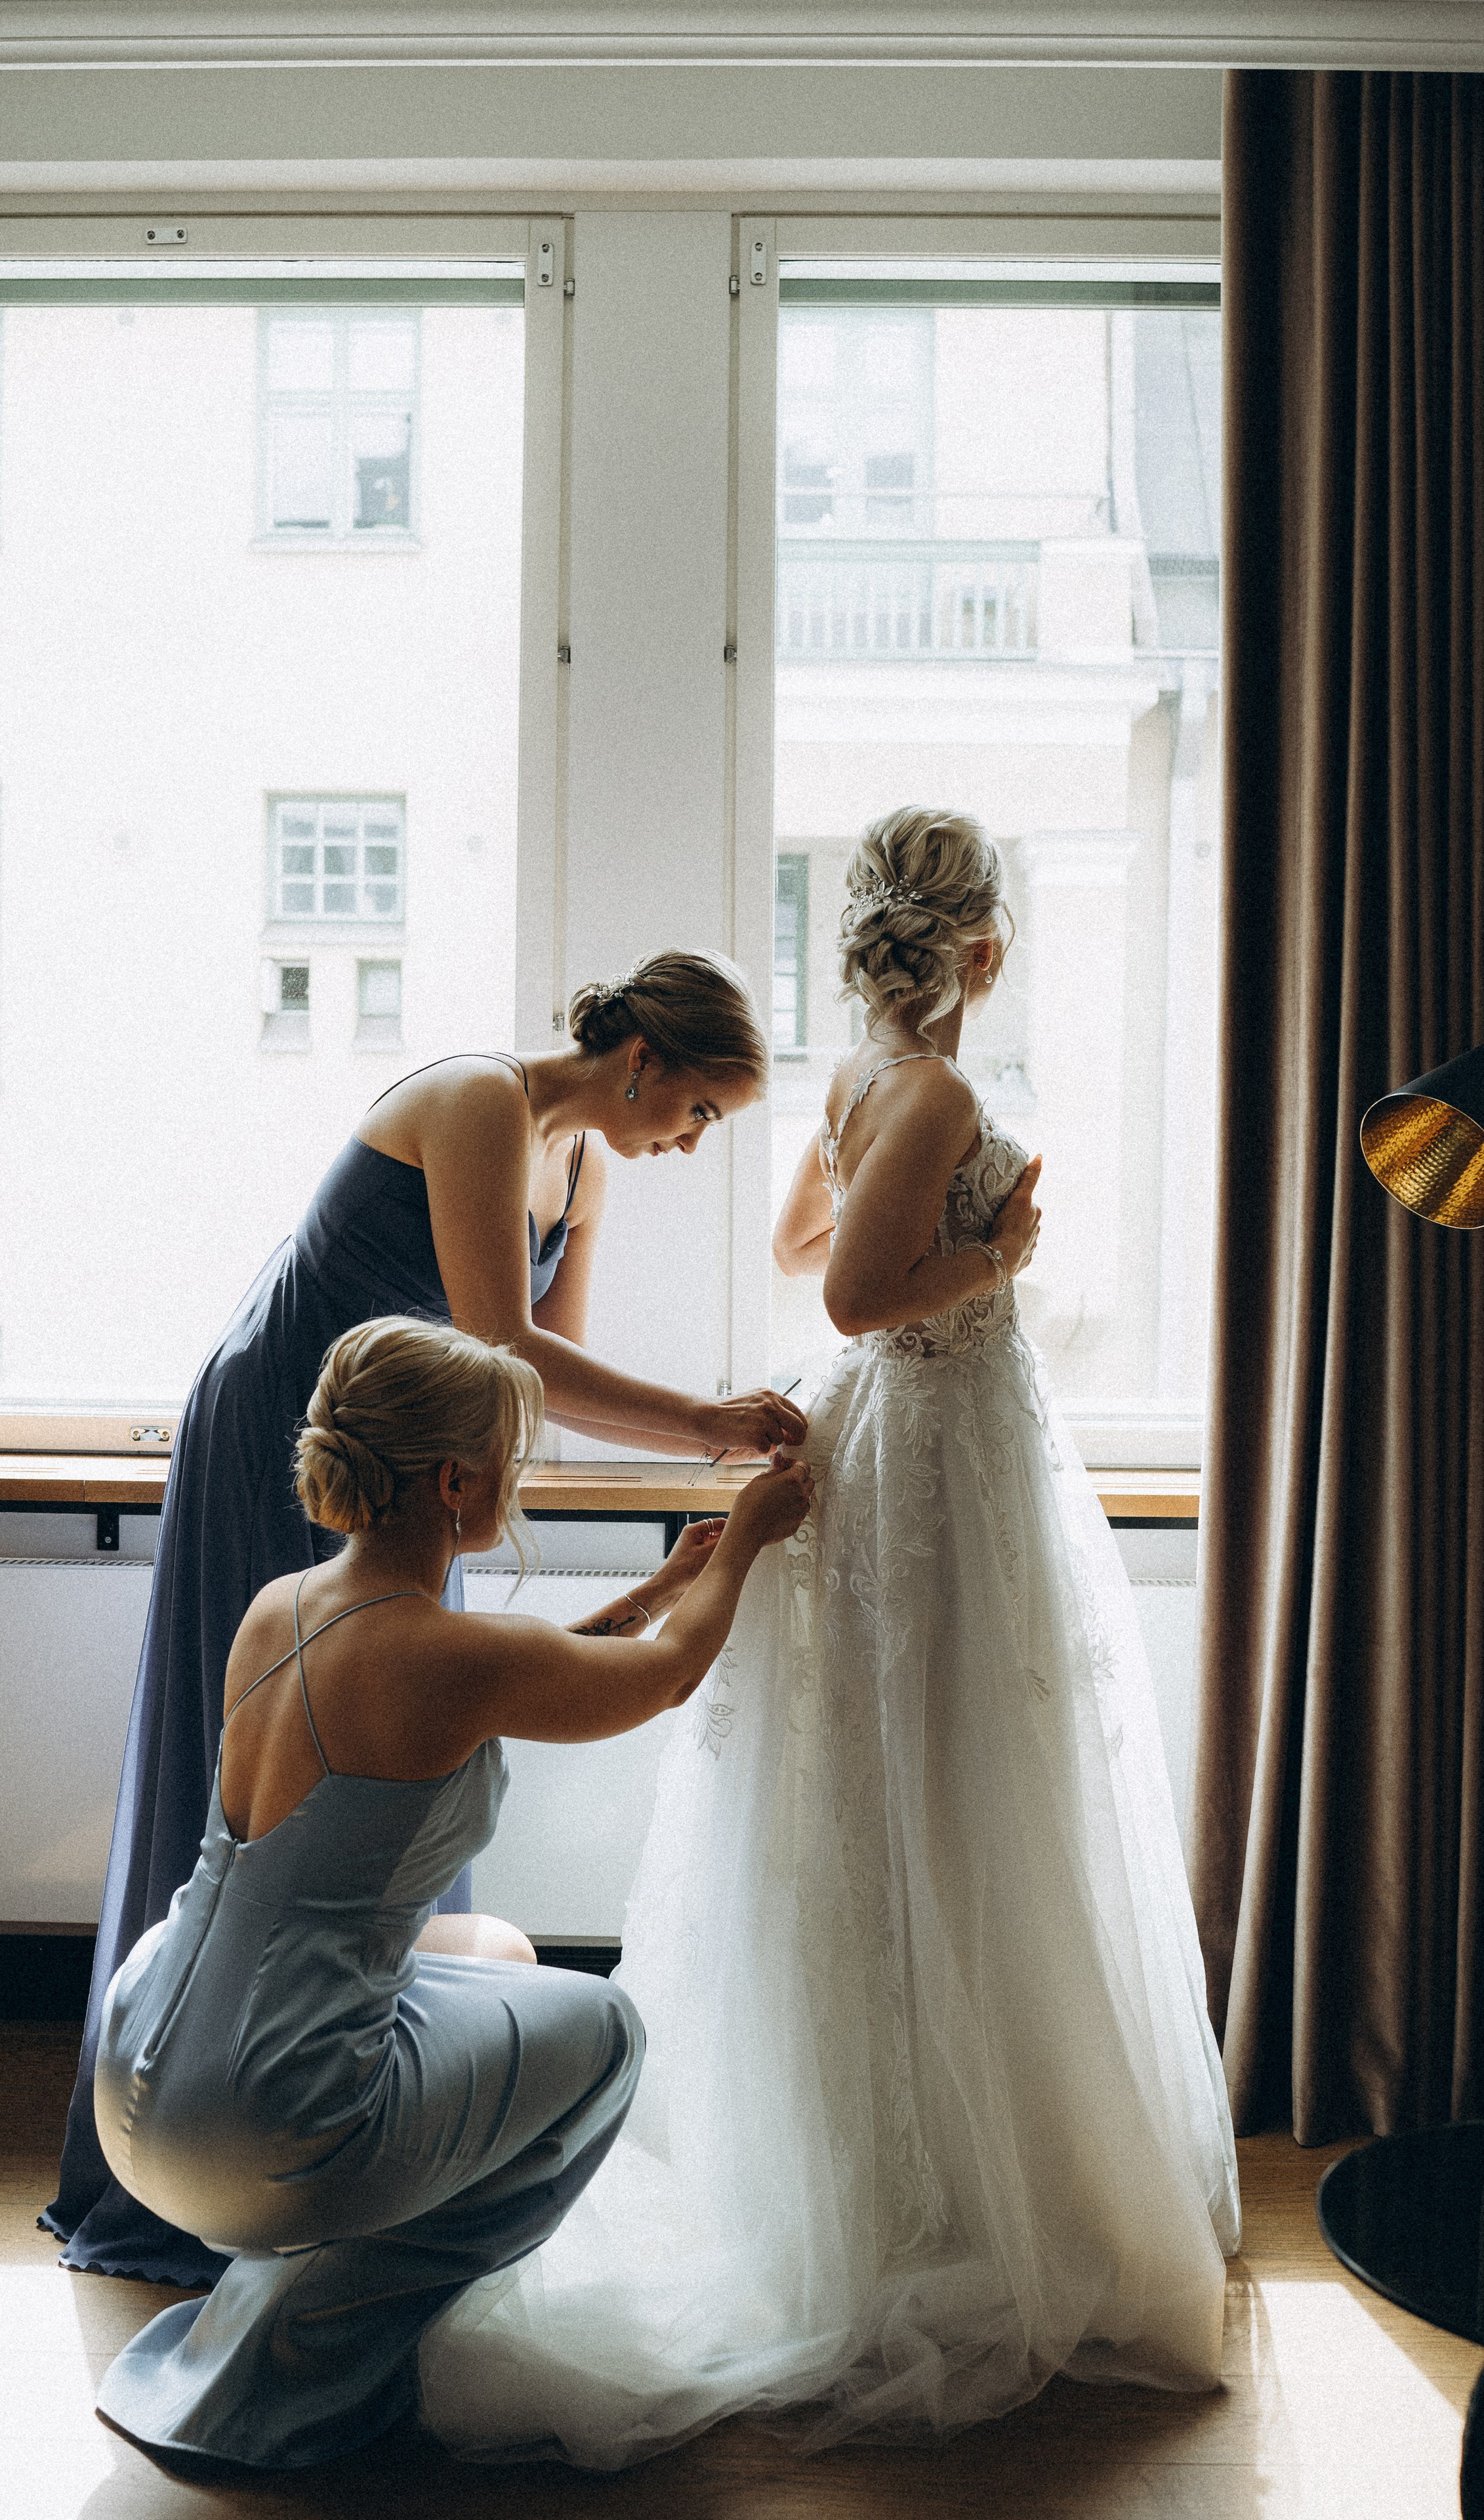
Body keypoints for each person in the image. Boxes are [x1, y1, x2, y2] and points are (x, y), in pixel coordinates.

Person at [418, 808, 1243, 2466]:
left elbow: (807, 1245)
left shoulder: (862, 1084)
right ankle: (936, 2191)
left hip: (922, 1443)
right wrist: (991, 1255)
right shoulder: (931, 1091)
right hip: (938, 1443)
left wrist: (936, 1250)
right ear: (982, 953)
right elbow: (856, 1298)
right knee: (953, 1783)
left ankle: (910, 2154)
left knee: (906, 1784)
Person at [47, 948, 806, 2283]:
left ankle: (348, 2079)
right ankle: (199, 2153)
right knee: (270, 1756)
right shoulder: (477, 1102)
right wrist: (703, 1423)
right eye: (695, 1111)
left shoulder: (587, 1168)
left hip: (425, 1460)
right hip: (296, 1420)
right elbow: (501, 1339)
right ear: (642, 1061)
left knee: (404, 1731)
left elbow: (528, 1393)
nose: (691, 1143)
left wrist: (677, 1502)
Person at [91, 1314, 813, 2471]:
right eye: (512, 1464)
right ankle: (337, 2343)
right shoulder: (448, 1654)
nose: (517, 1485)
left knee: (494, 1948)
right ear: (455, 1483)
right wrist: (746, 1547)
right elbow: (667, 1682)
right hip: (270, 2113)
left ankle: (294, 2291)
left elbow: (507, 1680)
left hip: (140, 2079)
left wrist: (659, 1581)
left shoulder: (284, 1605)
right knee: (612, 2035)